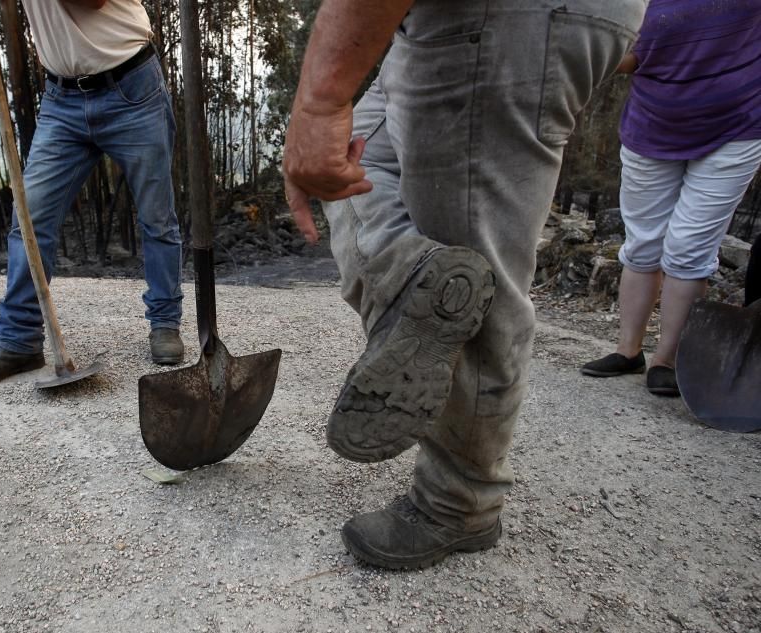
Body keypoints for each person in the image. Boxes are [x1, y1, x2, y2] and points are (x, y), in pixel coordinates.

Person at [282, 0, 645, 569]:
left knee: (477, 256)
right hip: (440, 21)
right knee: (356, 173)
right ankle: (415, 283)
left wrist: (319, 100)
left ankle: (458, 501)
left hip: (495, 16)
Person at [0, 0, 184, 388]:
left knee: (156, 218)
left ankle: (164, 323)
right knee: (30, 218)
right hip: (62, 100)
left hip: (132, 88)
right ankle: (20, 341)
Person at [581, 0, 761, 396]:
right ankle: (628, 351)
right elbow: (621, 55)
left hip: (737, 127)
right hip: (653, 124)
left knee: (688, 248)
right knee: (644, 242)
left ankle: (667, 360)